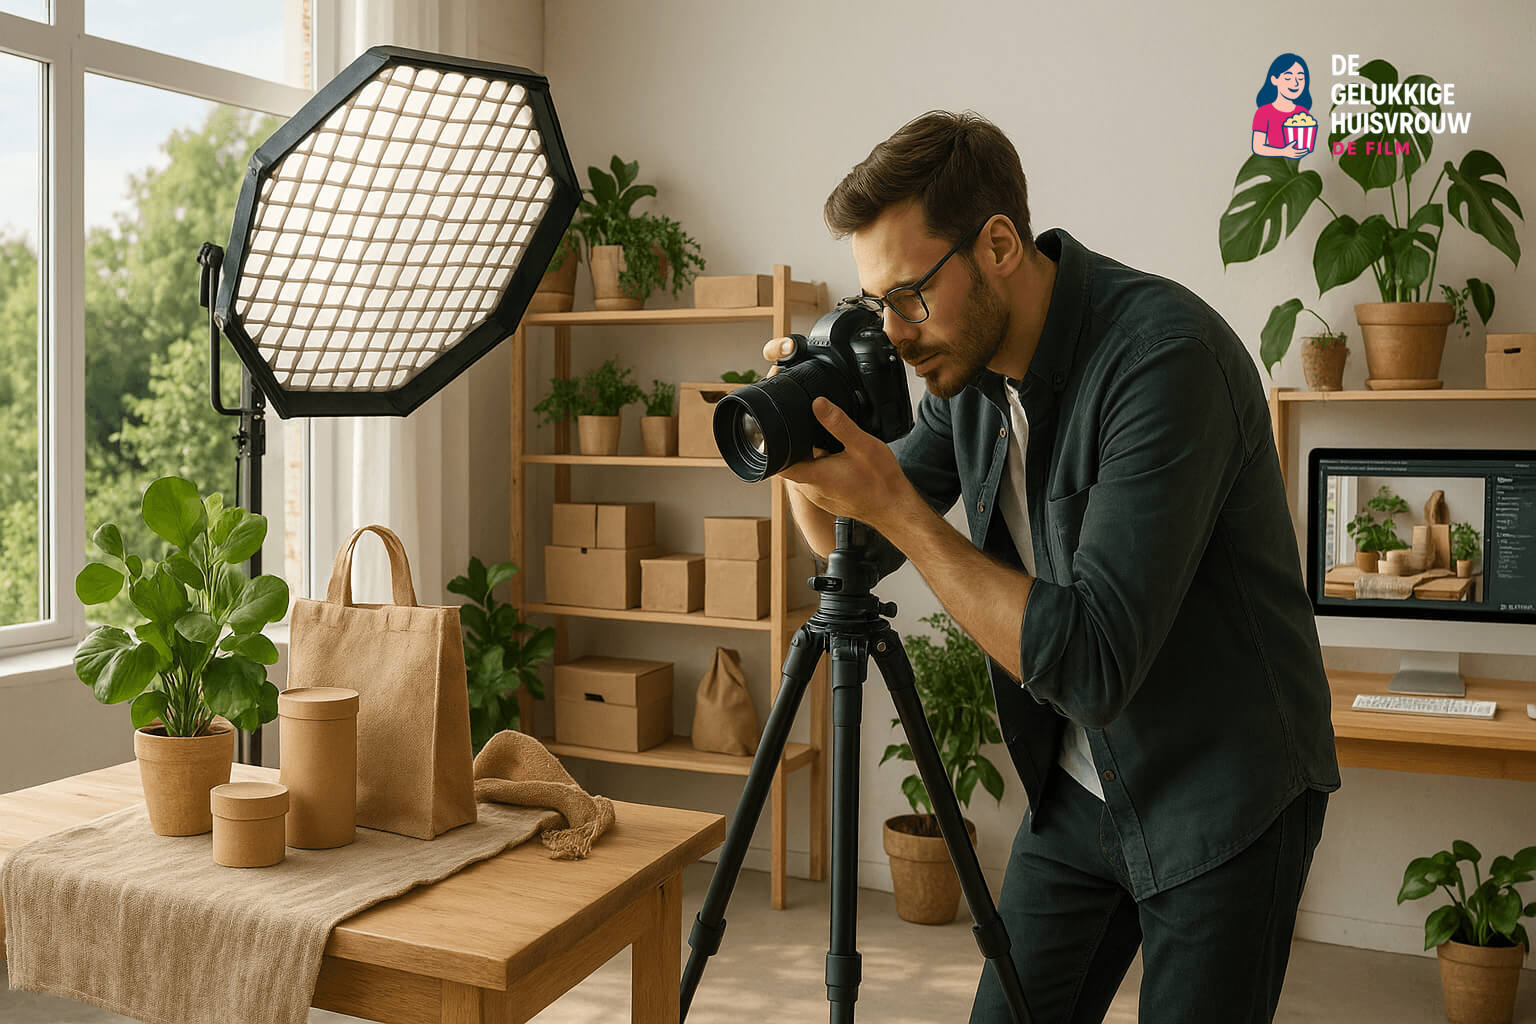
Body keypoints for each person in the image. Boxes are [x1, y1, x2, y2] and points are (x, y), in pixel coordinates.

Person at [766, 110, 1340, 1023]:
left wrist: (894, 506)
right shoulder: (969, 373)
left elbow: (1093, 660)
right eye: (877, 303)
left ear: (997, 244)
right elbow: (860, 544)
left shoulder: (1163, 360)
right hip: (1082, 789)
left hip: (1224, 792)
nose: (898, 333)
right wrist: (803, 445)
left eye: (909, 295)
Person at [1252, 53, 1314, 158]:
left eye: (1300, 78)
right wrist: (1283, 152)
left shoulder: (1302, 112)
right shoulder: (1263, 113)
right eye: (1288, 77)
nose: (1295, 83)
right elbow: (1258, 147)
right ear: (1274, 80)